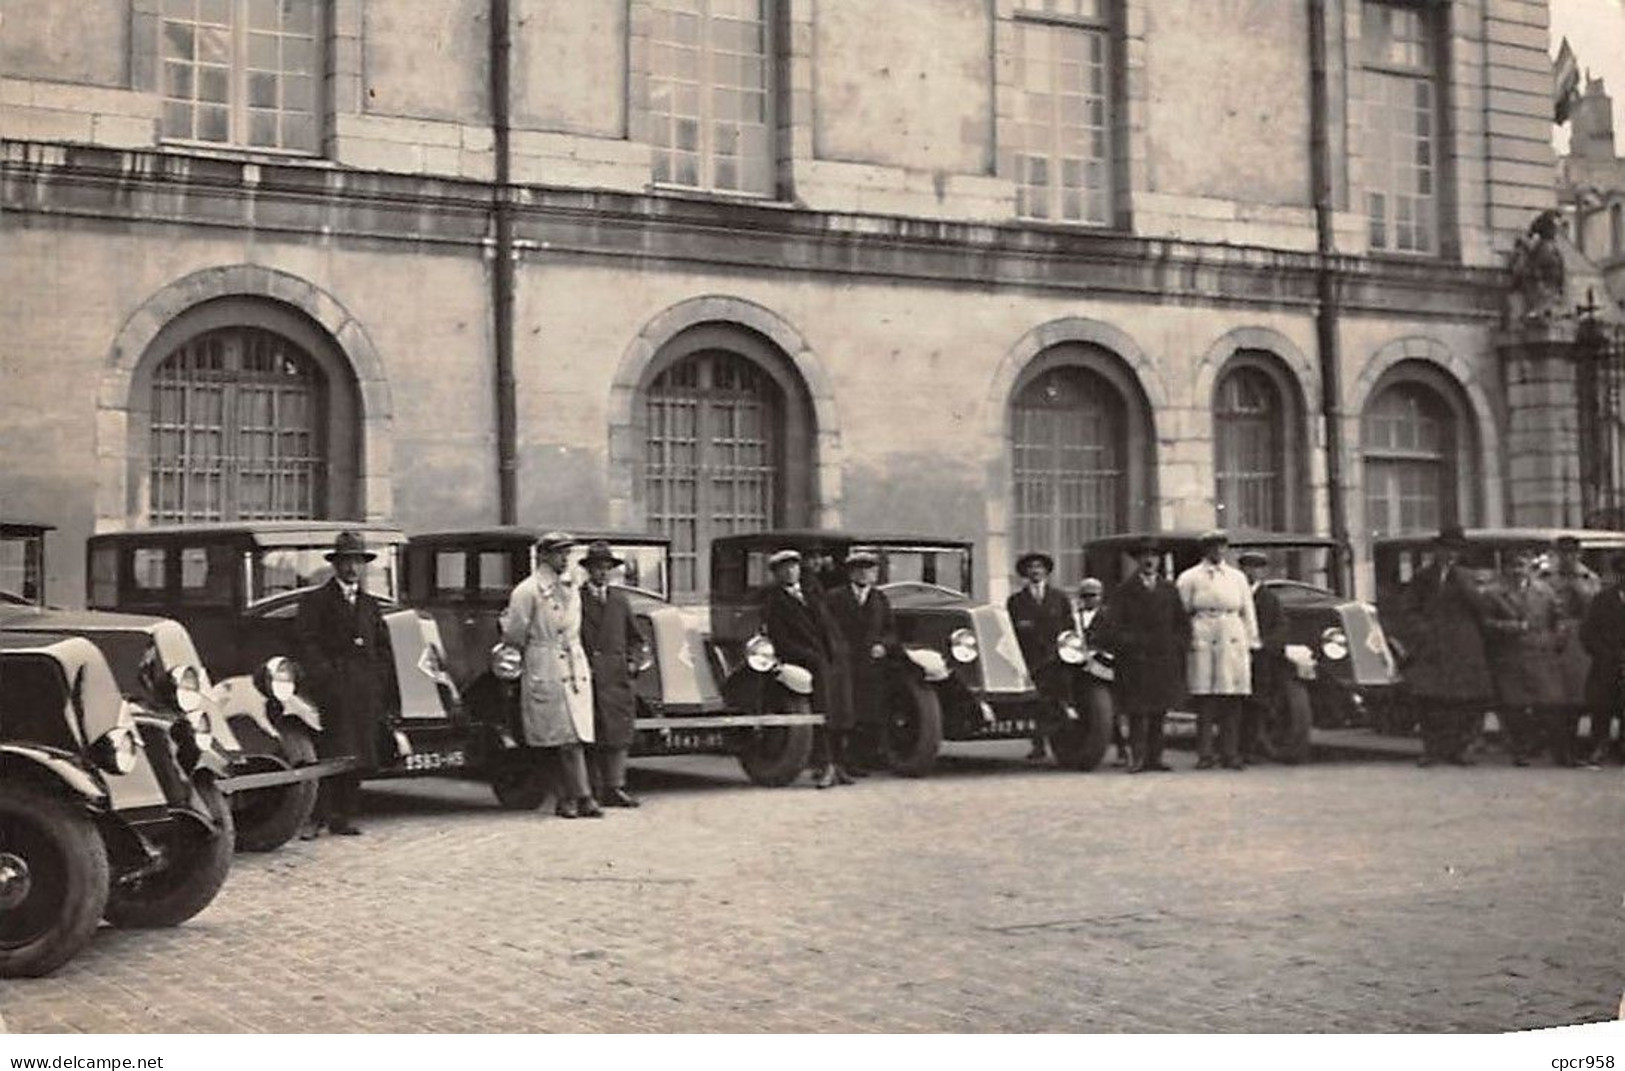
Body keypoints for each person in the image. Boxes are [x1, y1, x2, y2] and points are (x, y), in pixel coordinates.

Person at [294, 530, 396, 838]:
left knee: (358, 754)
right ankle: (319, 817)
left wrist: (377, 678)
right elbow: (306, 642)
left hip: (363, 688)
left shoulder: (369, 604)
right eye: (346, 562)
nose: (352, 568)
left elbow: (382, 646)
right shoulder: (316, 601)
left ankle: (345, 815)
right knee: (330, 750)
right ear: (335, 565)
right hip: (332, 687)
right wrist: (325, 676)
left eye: (357, 562)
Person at [499, 531, 600, 818]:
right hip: (544, 662)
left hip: (573, 662)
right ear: (543, 556)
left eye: (567, 553)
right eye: (559, 553)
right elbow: (515, 632)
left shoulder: (572, 587)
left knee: (576, 736)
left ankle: (581, 796)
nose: (565, 559)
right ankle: (572, 797)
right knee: (556, 738)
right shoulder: (527, 591)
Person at [1396, 526, 1496, 767]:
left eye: (1454, 551)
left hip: (1463, 647)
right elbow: (1409, 608)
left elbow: (1484, 608)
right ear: (1436, 551)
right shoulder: (1423, 577)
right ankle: (1432, 750)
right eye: (1445, 550)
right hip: (1431, 647)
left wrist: (1465, 582)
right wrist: (1421, 630)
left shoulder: (1470, 578)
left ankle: (1459, 749)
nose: (1449, 555)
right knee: (1431, 701)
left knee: (1464, 702)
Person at [762, 548, 854, 788]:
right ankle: (824, 765)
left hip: (829, 658)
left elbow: (828, 626)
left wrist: (837, 649)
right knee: (821, 712)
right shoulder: (774, 602)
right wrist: (810, 656)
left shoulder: (813, 594)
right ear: (777, 573)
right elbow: (781, 639)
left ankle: (839, 764)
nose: (792, 571)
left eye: (794, 567)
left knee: (841, 710)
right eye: (786, 568)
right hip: (804, 661)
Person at [1099, 539, 1187, 773]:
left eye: (1154, 557)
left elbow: (1182, 624)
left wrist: (1175, 645)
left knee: (1159, 712)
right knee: (1137, 712)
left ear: (1159, 561)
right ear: (1137, 561)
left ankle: (1155, 758)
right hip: (1135, 661)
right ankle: (1137, 758)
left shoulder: (1169, 590)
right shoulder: (1124, 591)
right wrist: (1131, 644)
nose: (1149, 561)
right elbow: (1113, 628)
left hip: (1163, 660)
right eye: (1145, 557)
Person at [1175, 531, 1260, 771]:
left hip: (1232, 634)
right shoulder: (1190, 577)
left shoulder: (1237, 578)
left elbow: (1248, 611)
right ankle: (1205, 753)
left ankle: (1230, 753)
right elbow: (1181, 612)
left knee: (1232, 697)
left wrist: (1251, 640)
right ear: (1205, 550)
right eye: (1213, 548)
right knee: (1206, 698)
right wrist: (1187, 639)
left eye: (1222, 547)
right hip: (1203, 632)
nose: (1218, 552)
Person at [578, 540, 646, 808]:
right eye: (597, 568)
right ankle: (592, 789)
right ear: (588, 570)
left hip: (617, 678)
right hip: (589, 677)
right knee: (592, 733)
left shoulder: (620, 600)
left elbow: (636, 639)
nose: (602, 573)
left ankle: (615, 787)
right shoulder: (577, 600)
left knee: (618, 735)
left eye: (606, 568)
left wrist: (632, 663)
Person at [1485, 550, 1563, 765]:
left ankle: (1537, 744)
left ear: (1530, 567)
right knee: (1513, 706)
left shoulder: (1544, 591)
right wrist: (1512, 627)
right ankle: (1519, 749)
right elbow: (1486, 623)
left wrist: (1553, 641)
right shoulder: (1493, 593)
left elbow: (1556, 620)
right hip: (1509, 656)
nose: (1518, 571)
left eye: (1522, 565)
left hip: (1539, 655)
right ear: (1505, 569)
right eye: (1513, 566)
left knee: (1544, 704)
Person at [825, 548, 896, 776]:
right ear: (850, 573)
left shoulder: (880, 599)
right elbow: (827, 628)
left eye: (869, 570)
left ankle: (862, 759)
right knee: (845, 713)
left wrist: (883, 645)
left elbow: (891, 631)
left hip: (872, 666)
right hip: (844, 665)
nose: (864, 575)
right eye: (859, 570)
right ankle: (840, 761)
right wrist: (839, 650)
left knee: (870, 713)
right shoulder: (835, 597)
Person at [1007, 550, 1073, 763]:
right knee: (1034, 702)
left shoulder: (1059, 598)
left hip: (1055, 659)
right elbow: (1010, 631)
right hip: (1029, 659)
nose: (1035, 571)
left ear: (1046, 572)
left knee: (1057, 700)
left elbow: (1068, 628)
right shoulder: (1016, 601)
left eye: (1039, 567)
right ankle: (1038, 745)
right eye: (1031, 568)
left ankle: (1062, 742)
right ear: (1026, 573)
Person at [1543, 535, 1602, 766]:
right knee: (1554, 696)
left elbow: (1596, 607)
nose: (1567, 558)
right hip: (1552, 637)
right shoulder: (1545, 577)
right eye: (1563, 553)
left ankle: (1572, 745)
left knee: (1576, 696)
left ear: (1579, 554)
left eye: (1572, 553)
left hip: (1579, 640)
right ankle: (1557, 746)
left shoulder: (1589, 578)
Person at [1237, 550, 1286, 765]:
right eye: (1249, 567)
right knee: (1236, 701)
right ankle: (1234, 748)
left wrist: (1266, 644)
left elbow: (1281, 626)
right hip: (1237, 653)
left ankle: (1251, 747)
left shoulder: (1270, 599)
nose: (1253, 572)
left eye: (1258, 568)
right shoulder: (1235, 594)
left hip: (1261, 657)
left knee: (1258, 702)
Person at [1579, 550, 1625, 767]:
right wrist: (1605, 654)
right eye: (1622, 573)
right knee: (1602, 708)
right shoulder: (1602, 600)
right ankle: (1599, 746)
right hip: (1606, 664)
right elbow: (1588, 633)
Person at [1072, 577, 1125, 765]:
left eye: (1093, 595)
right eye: (1085, 595)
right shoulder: (1074, 617)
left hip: (1102, 665)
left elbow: (1115, 639)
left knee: (1111, 711)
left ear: (1101, 596)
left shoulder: (1109, 616)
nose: (1089, 599)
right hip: (1077, 665)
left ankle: (1122, 749)